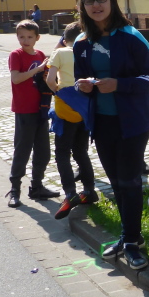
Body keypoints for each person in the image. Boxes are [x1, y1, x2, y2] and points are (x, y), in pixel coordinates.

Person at [74, 0, 149, 270]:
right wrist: (84, 85)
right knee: (116, 183)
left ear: (111, 1)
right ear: (83, 7)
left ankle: (132, 242)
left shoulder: (131, 37)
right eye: (89, 1)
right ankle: (129, 235)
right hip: (101, 123)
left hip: (133, 122)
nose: (96, 5)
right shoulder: (81, 43)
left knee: (129, 181)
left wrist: (119, 85)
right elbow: (80, 79)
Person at [5, 19, 60, 208]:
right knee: (22, 150)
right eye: (21, 37)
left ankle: (37, 186)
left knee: (43, 151)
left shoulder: (40, 55)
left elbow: (45, 78)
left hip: (41, 109)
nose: (25, 40)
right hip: (24, 109)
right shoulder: (16, 55)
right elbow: (16, 78)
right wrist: (38, 69)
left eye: (29, 37)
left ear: (37, 38)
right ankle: (15, 189)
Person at [46, 22, 98, 220]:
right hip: (84, 108)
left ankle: (70, 193)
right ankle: (89, 189)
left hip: (65, 109)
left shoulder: (59, 53)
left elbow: (50, 80)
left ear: (64, 39)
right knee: (81, 151)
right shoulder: (87, 52)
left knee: (62, 152)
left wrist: (58, 92)